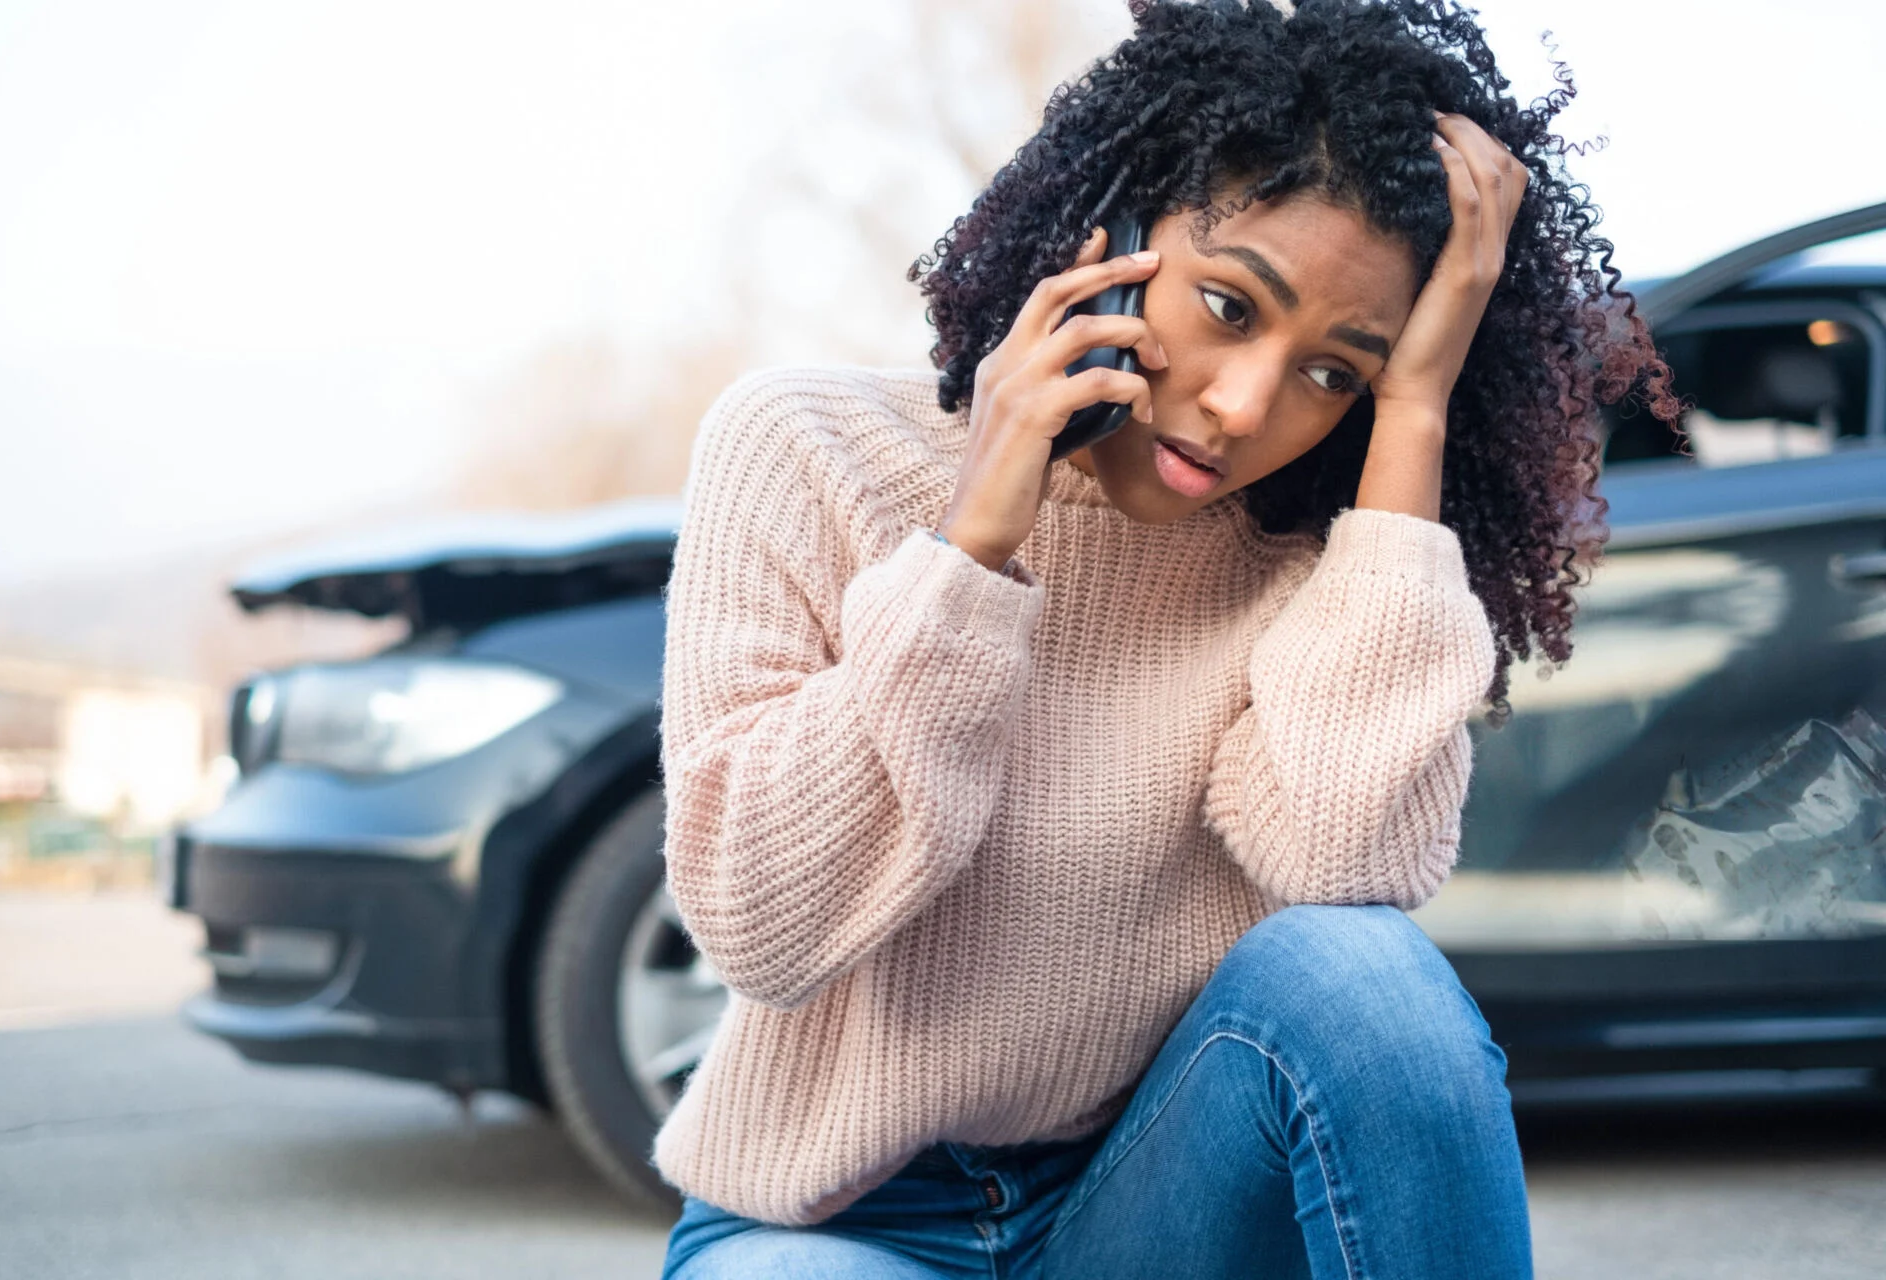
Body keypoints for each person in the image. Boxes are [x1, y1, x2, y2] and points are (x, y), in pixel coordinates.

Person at [652, 1, 1677, 1276]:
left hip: (1150, 1201)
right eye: (1231, 305)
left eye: (1334, 374)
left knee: (1364, 975)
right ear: (1115, 232)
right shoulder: (806, 447)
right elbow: (761, 920)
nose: (1244, 406)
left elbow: (1345, 861)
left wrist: (1415, 405)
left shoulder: (1321, 561)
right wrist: (970, 550)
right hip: (837, 1221)